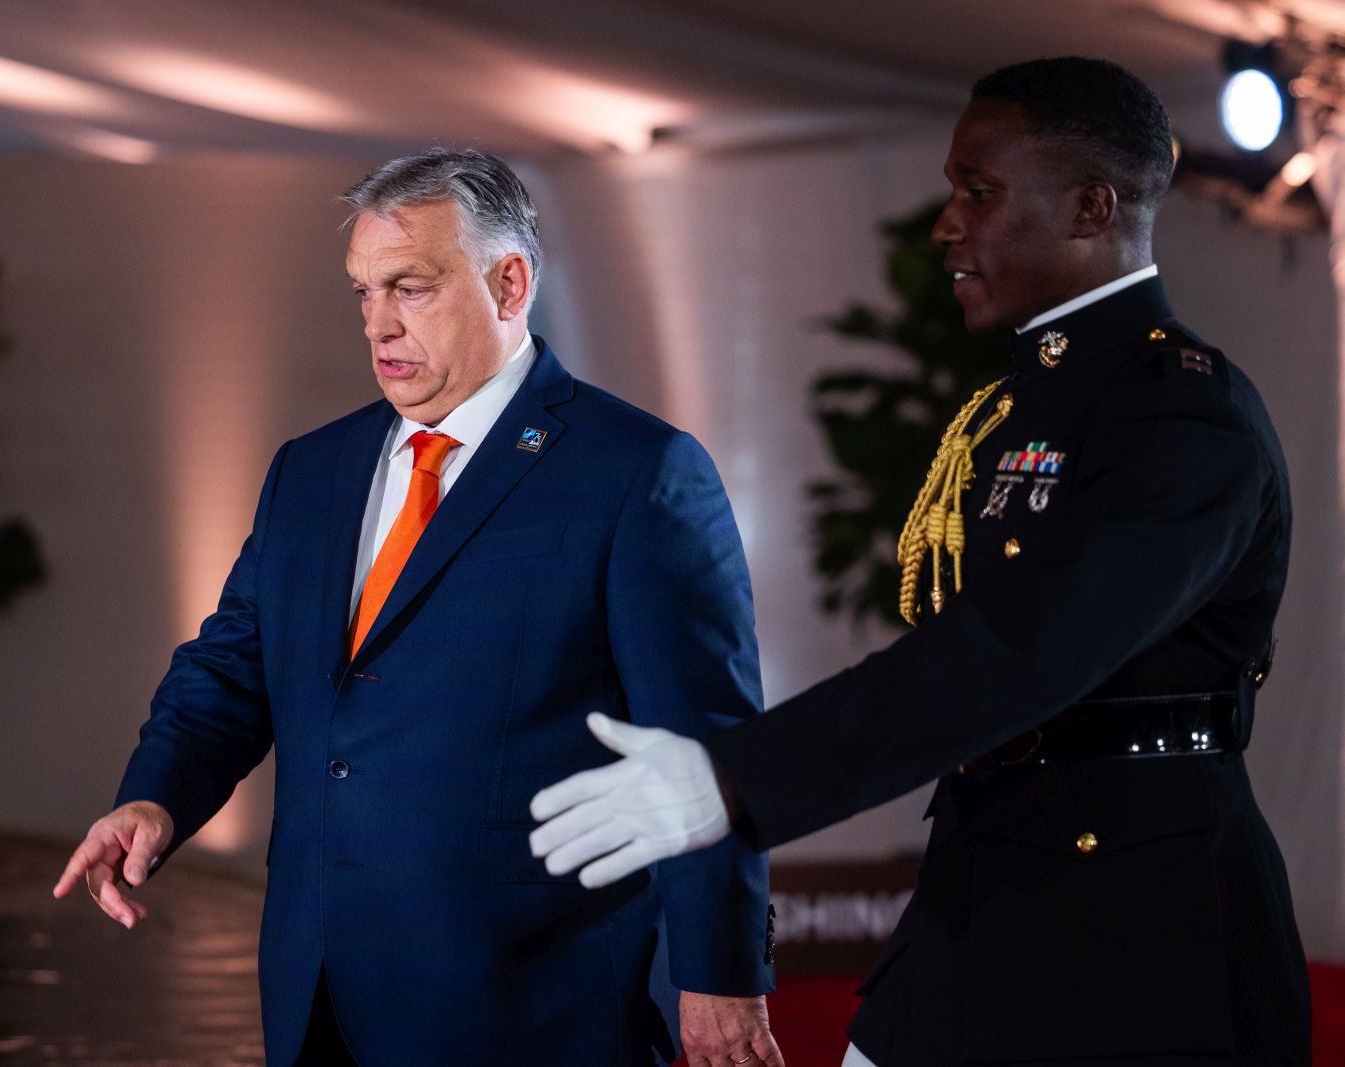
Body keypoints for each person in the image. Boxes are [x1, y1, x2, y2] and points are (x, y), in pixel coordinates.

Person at [531, 57, 1311, 1066]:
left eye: (979, 192)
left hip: (1135, 926)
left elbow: (1019, 648)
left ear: (1089, 206)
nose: (946, 223)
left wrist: (730, 780)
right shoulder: (1018, 404)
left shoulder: (1178, 413)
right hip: (984, 887)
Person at [52, 148, 782, 1067]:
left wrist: (719, 973)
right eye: (362, 292)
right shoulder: (310, 471)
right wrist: (154, 797)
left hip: (532, 999)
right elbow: (234, 665)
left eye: (410, 287)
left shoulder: (638, 474)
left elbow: (706, 744)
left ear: (510, 282)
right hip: (318, 989)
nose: (379, 324)